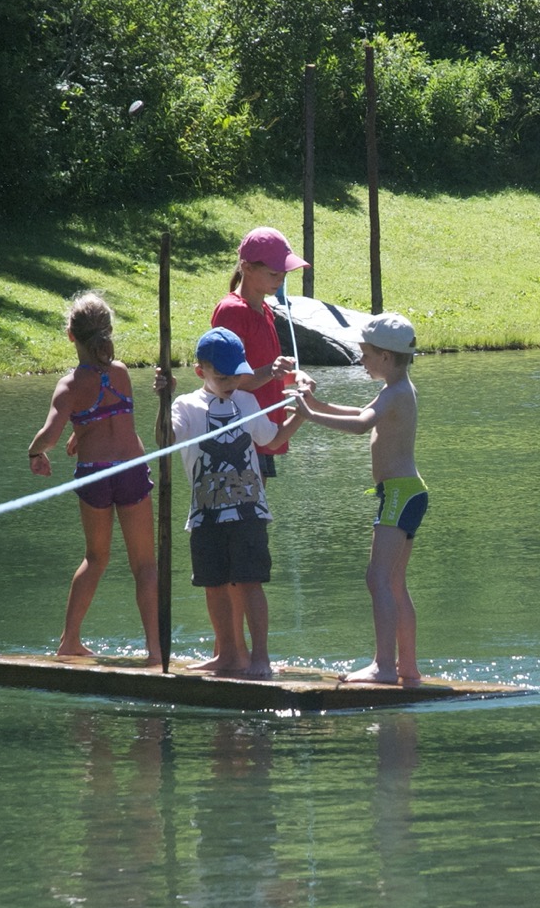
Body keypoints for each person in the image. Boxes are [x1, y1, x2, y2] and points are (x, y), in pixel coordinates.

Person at [27, 292, 162, 665]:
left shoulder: (69, 386)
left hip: (95, 477)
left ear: (70, 335)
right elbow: (110, 416)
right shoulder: (120, 373)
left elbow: (49, 435)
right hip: (131, 470)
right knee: (145, 566)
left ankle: (70, 640)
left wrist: (35, 451)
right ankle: (155, 651)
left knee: (96, 558)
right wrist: (81, 432)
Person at [291, 312, 425, 687]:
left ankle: (384, 666)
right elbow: (359, 412)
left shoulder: (396, 393)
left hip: (399, 494)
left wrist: (310, 417)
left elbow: (362, 424)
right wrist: (315, 404)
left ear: (385, 357)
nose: (361, 360)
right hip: (407, 493)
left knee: (377, 578)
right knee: (394, 582)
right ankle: (407, 667)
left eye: (365, 354)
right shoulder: (397, 389)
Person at [172, 327, 302, 677]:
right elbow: (164, 439)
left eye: (237, 374)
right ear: (201, 372)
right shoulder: (185, 405)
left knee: (250, 581)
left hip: (249, 510)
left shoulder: (247, 401)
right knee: (212, 585)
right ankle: (228, 654)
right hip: (205, 513)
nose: (231, 382)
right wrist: (161, 399)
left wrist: (300, 413)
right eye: (222, 376)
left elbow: (273, 440)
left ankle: (260, 657)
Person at [212, 226, 306, 480]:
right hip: (239, 433)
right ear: (247, 267)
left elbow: (264, 372)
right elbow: (225, 380)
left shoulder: (264, 309)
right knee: (244, 513)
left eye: (284, 274)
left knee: (256, 512)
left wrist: (292, 378)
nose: (281, 279)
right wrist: (270, 371)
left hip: (262, 429)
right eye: (274, 273)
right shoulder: (231, 311)